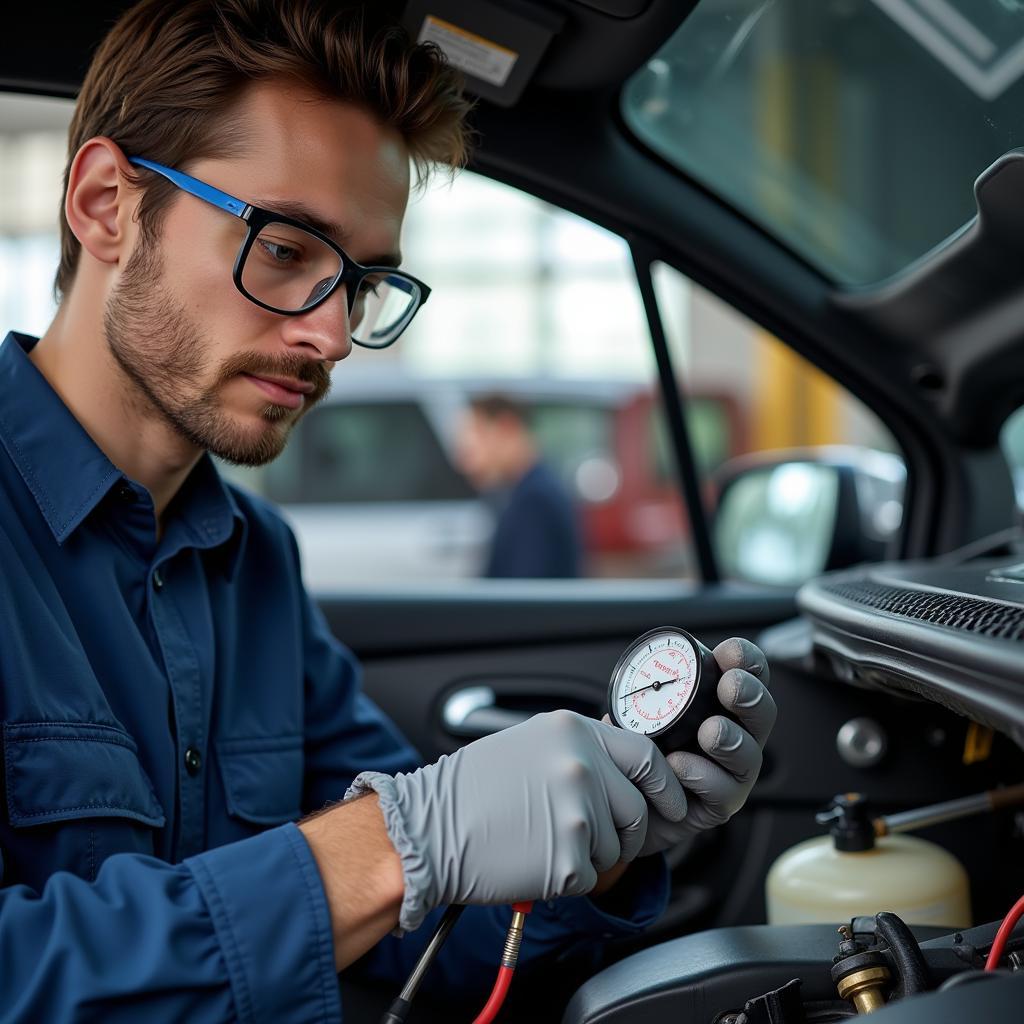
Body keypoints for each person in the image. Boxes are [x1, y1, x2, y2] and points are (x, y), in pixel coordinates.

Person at [0, 2, 778, 1020]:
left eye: (360, 283)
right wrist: (387, 844)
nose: (330, 333)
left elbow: (416, 934)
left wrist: (601, 843)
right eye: (284, 249)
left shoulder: (256, 560)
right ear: (106, 204)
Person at [456, 393, 584, 578]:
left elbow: (521, 593)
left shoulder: (535, 499)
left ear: (506, 427)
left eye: (477, 435)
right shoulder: (533, 489)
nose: (467, 458)